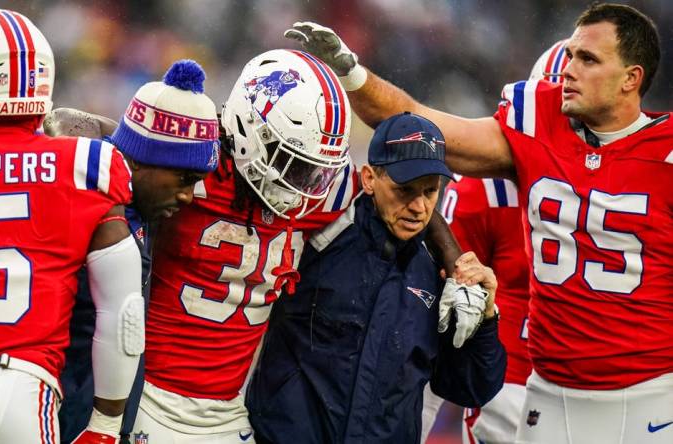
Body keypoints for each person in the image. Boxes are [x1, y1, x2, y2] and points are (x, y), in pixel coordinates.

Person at [46, 49, 478, 443]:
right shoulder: (192, 167)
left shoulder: (317, 188)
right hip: (150, 397)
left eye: (315, 169)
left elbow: (397, 190)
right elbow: (74, 127)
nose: (305, 184)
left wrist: (453, 258)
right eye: (293, 163)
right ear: (248, 128)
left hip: (230, 413)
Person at [285, 3, 673, 443]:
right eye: (570, 56)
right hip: (548, 392)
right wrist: (353, 74)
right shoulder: (537, 125)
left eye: (588, 59)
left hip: (650, 394)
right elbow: (417, 125)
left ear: (631, 78)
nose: (569, 71)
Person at [0, 57, 221, 444]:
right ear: (142, 162)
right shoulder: (77, 198)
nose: (192, 195)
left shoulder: (103, 181)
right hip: (40, 402)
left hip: (16, 395)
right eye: (185, 178)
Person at [245, 112, 506, 444]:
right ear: (368, 178)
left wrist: (486, 317)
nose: (418, 207)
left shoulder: (442, 272)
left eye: (429, 191)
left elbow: (470, 387)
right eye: (404, 190)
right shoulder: (319, 236)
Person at [421, 40, 571, 444]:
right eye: (560, 120)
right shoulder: (482, 191)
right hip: (511, 392)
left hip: (613, 382)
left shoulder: (641, 183)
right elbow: (436, 315)